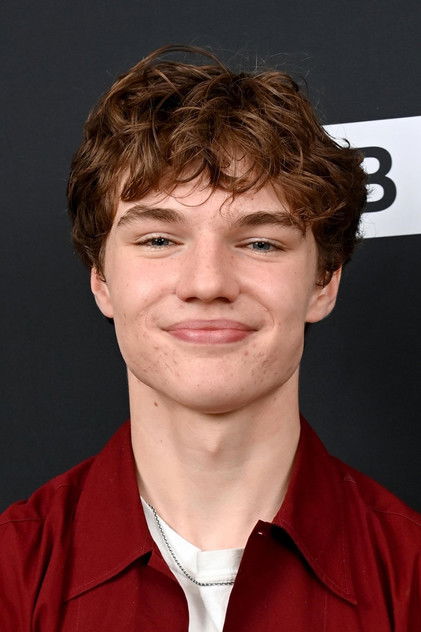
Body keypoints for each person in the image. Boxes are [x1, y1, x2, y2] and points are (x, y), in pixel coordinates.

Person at [0, 44, 419, 631]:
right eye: (158, 240)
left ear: (323, 283)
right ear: (101, 279)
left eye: (261, 242)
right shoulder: (12, 572)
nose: (207, 283)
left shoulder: (409, 575)